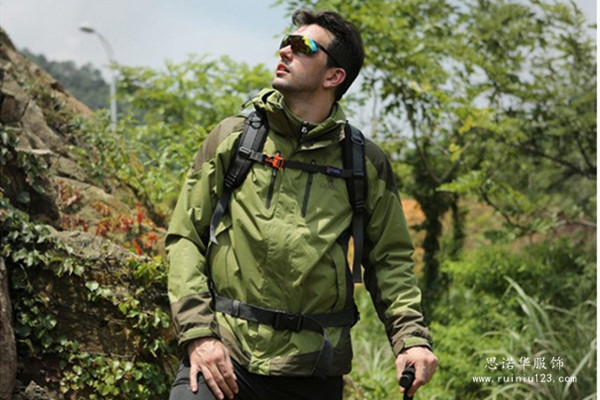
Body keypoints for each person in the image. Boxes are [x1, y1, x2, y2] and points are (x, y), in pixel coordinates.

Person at [166, 9, 438, 400]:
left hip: (314, 368)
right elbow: (185, 237)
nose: (285, 51)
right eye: (286, 42)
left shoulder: (363, 163)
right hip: (226, 355)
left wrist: (412, 339)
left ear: (334, 76)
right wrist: (199, 334)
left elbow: (390, 260)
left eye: (302, 46)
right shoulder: (235, 138)